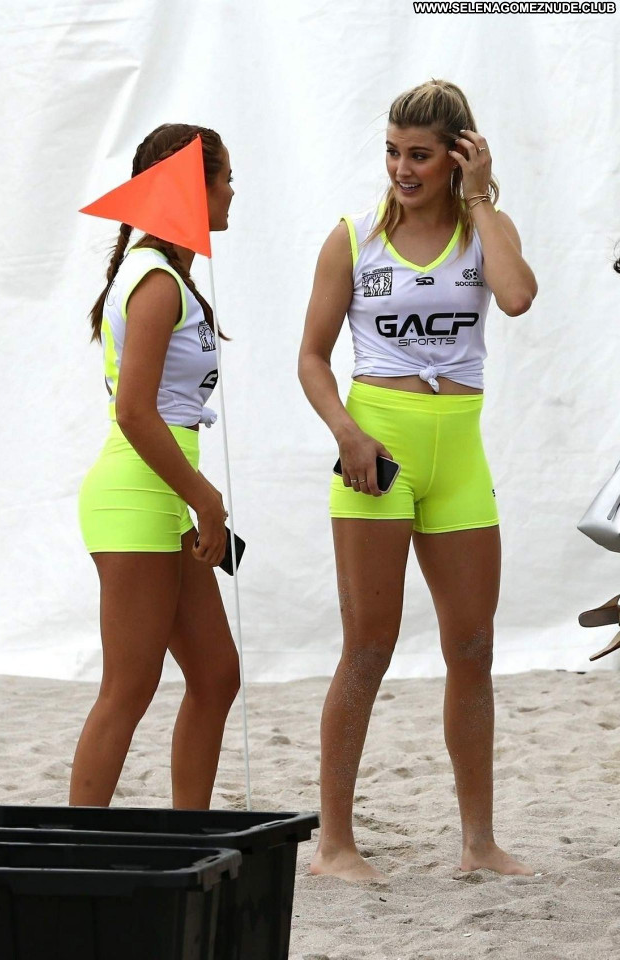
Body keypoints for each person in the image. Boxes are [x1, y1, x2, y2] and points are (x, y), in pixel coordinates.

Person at [298, 80, 538, 882]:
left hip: (459, 454)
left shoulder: (483, 229)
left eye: (421, 155)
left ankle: (479, 844)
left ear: (459, 156)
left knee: (473, 647)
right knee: (368, 648)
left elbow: (517, 296)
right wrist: (348, 433)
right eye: (393, 152)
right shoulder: (354, 238)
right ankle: (335, 845)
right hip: (377, 453)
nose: (402, 169)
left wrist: (482, 199)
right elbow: (312, 358)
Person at [70, 123, 240, 808]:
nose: (232, 192)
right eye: (225, 179)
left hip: (164, 493)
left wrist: (194, 498)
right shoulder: (156, 281)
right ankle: (77, 848)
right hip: (137, 496)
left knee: (216, 675)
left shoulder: (165, 275)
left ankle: (189, 838)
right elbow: (134, 412)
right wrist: (206, 498)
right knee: (129, 687)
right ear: (192, 190)